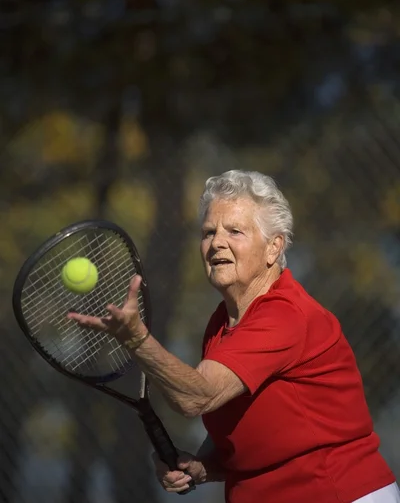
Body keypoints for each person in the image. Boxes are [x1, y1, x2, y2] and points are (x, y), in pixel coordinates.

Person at [68, 170, 399, 503]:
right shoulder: (222, 323)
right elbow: (246, 426)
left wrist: (138, 339)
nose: (216, 243)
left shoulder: (285, 316)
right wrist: (204, 466)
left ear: (274, 248)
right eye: (209, 232)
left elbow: (197, 398)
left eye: (234, 231)